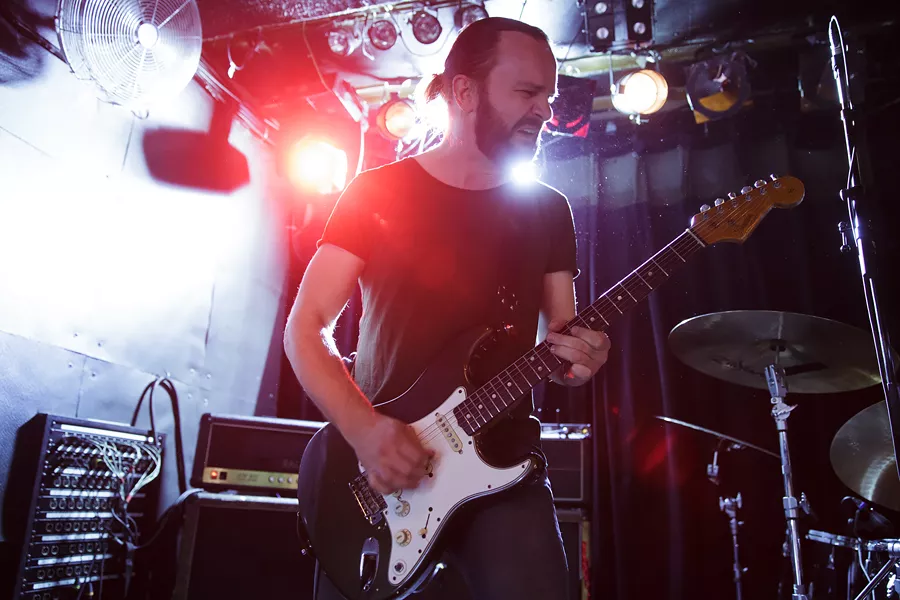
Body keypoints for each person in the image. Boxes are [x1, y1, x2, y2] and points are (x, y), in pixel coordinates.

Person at [283, 16, 611, 600]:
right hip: (382, 474)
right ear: (464, 91)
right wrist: (365, 431)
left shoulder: (548, 210)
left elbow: (563, 340)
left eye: (548, 96)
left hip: (502, 467)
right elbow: (305, 328)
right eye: (527, 92)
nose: (544, 111)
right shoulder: (375, 192)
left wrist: (583, 356)